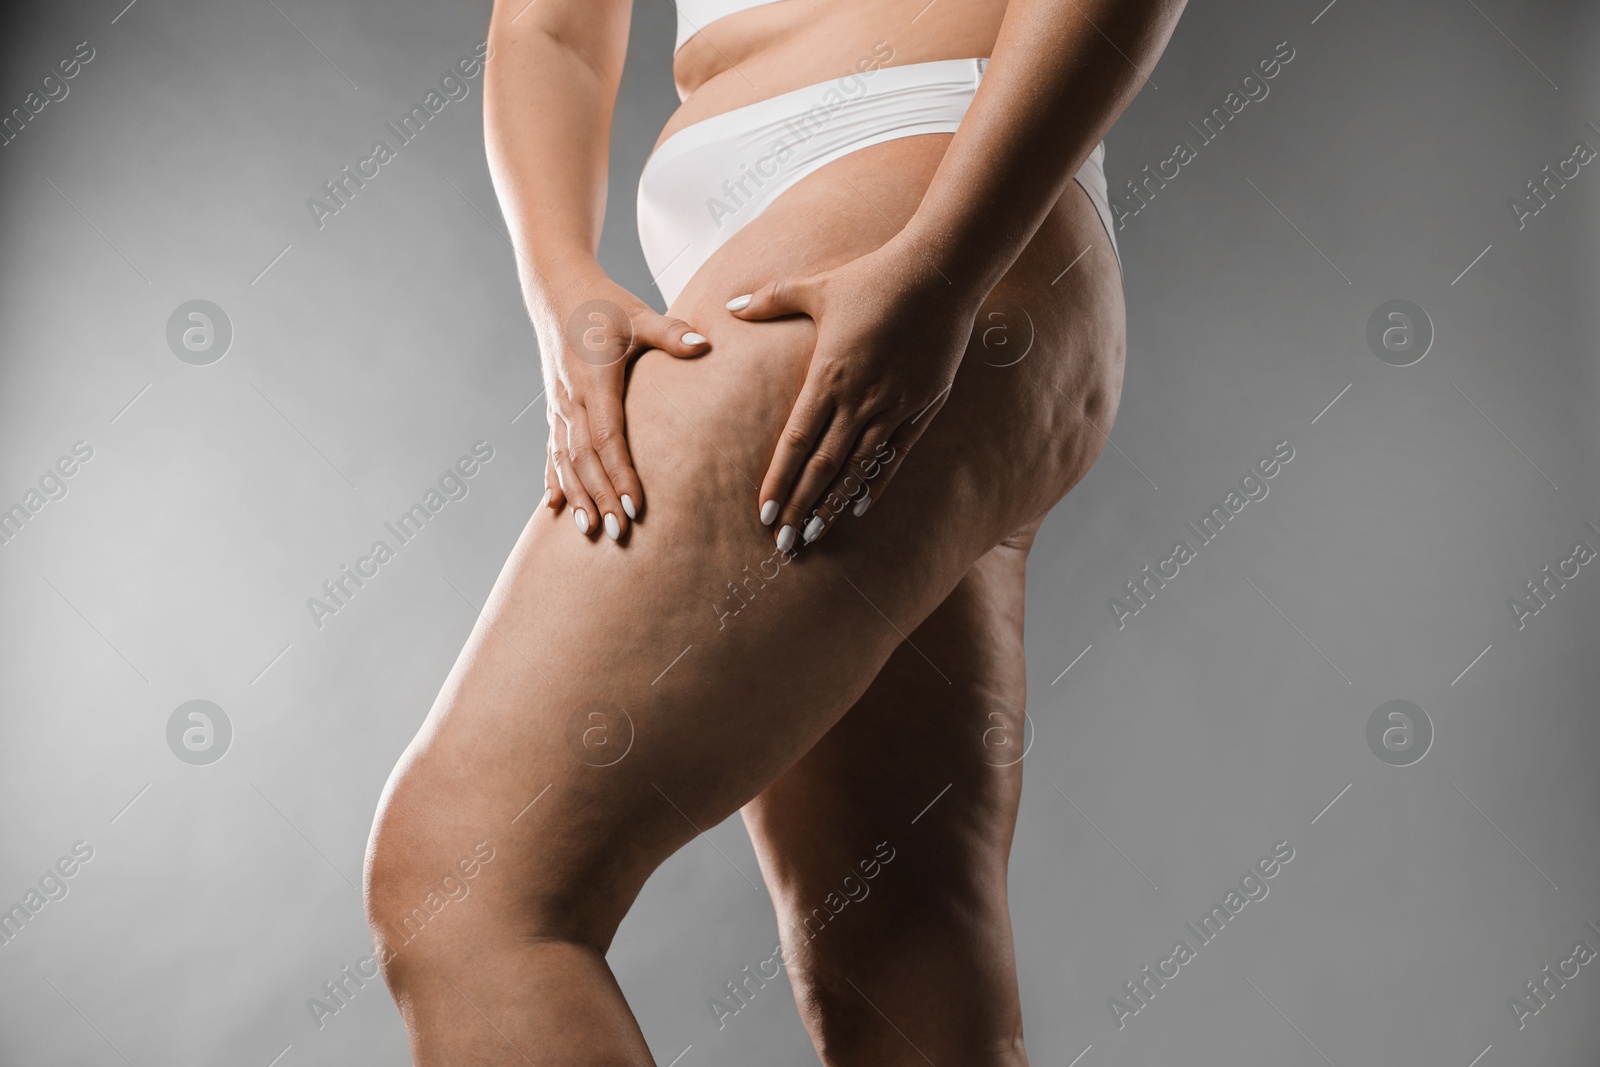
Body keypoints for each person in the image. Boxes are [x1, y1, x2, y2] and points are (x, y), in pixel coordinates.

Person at [365, 0, 1186, 1061]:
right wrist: (558, 277)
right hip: (878, 239)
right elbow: (549, 30)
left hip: (908, 187)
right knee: (896, 942)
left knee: (461, 881)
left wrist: (941, 264)